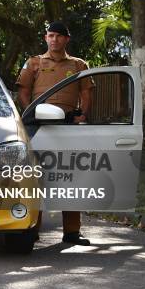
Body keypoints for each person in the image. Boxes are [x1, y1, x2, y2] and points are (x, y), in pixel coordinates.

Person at [16, 21, 95, 246]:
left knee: (71, 175)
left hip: (68, 125)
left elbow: (86, 92)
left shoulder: (79, 64)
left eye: (59, 36)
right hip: (38, 125)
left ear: (66, 39)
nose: (54, 40)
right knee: (36, 175)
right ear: (45, 38)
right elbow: (23, 90)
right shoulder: (34, 62)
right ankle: (33, 228)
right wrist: (30, 112)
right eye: (51, 35)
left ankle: (72, 231)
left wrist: (83, 115)